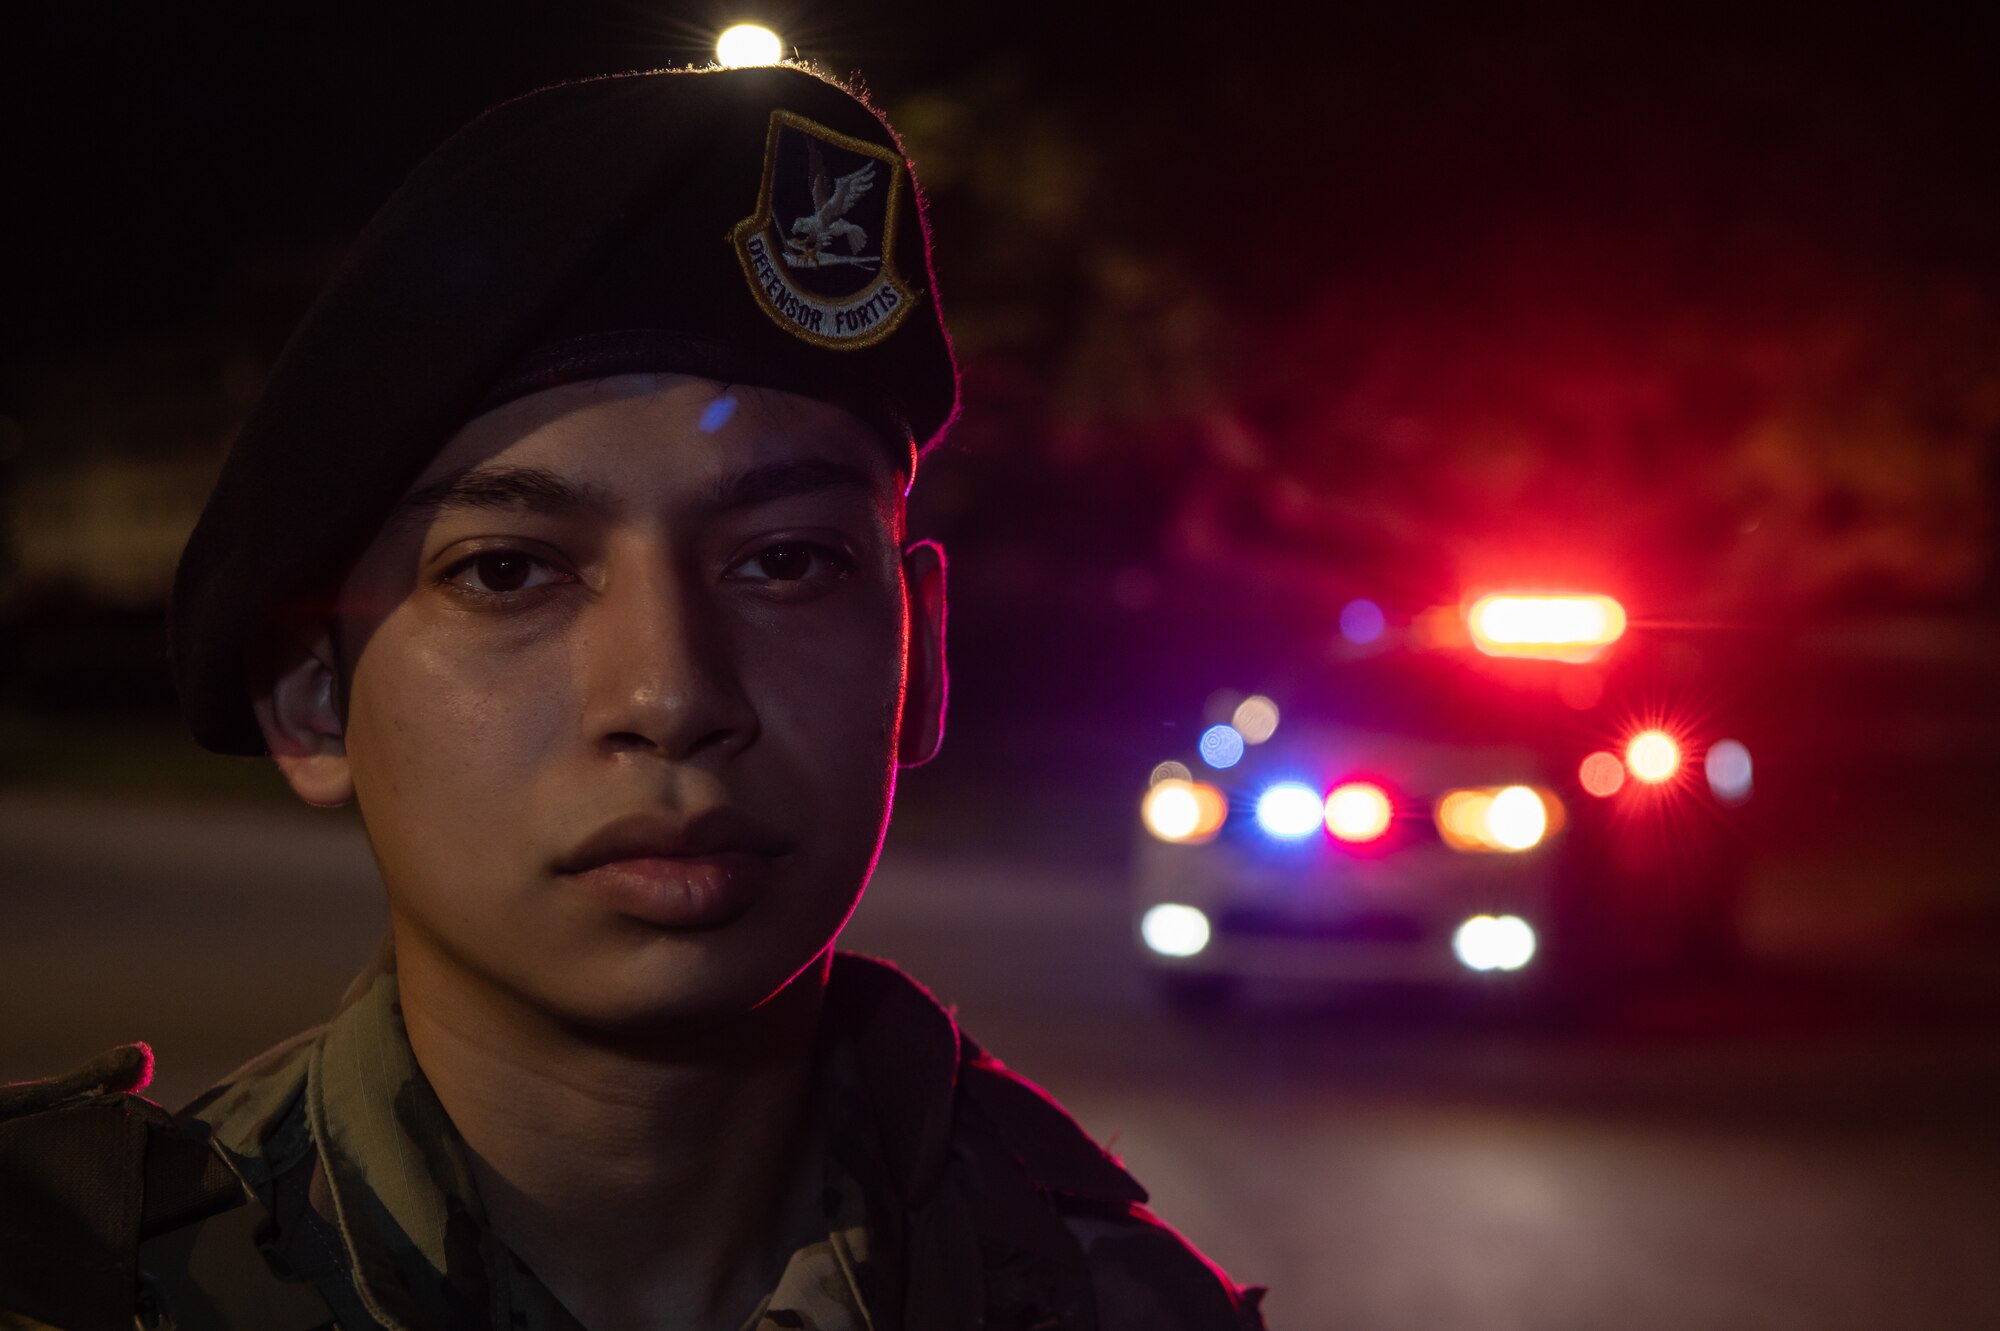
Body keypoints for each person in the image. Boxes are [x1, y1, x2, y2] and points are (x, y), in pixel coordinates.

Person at [0, 63, 1266, 1331]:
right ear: (311, 696)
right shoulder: (78, 1290)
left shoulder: (1125, 1307)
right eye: (507, 572)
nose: (670, 694)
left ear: (920, 658)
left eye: (786, 560)